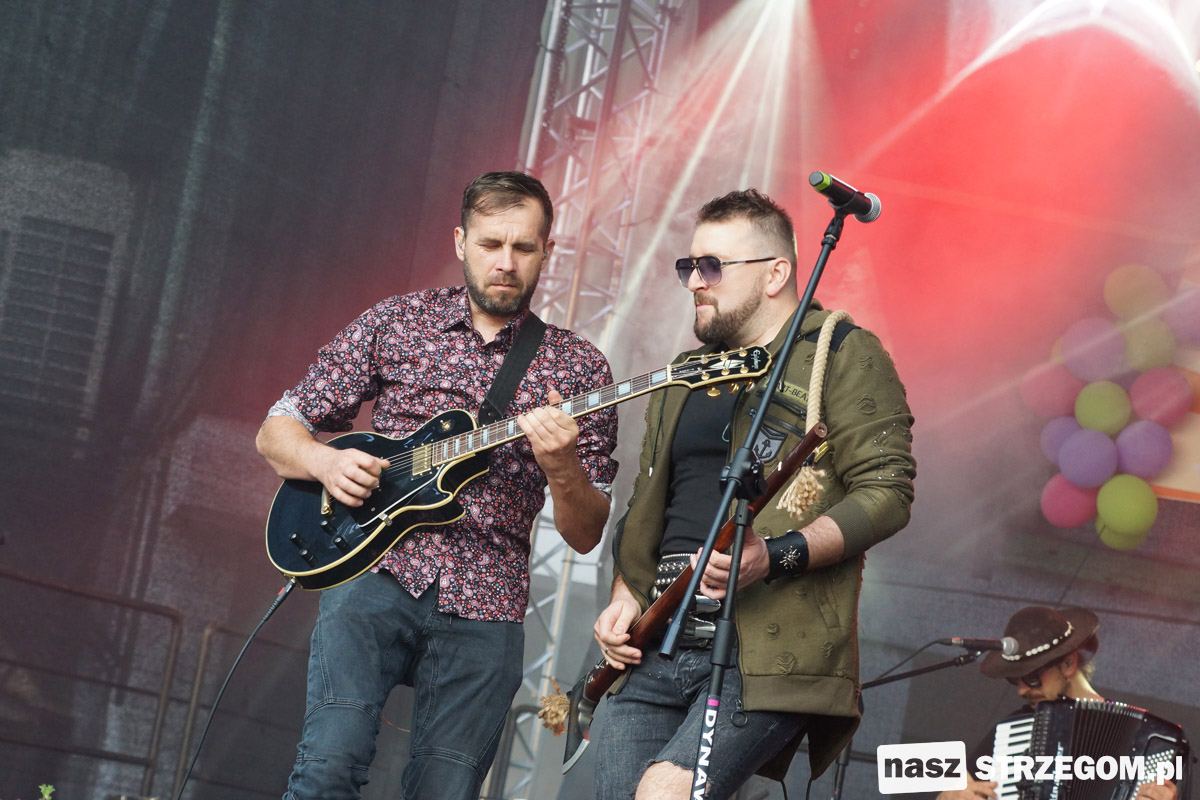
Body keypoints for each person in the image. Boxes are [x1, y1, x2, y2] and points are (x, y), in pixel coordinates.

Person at [256, 170, 619, 800]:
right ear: (460, 242)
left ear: (547, 251)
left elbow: (586, 534)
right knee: (327, 770)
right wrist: (323, 463)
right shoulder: (398, 321)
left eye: (523, 247)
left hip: (489, 604)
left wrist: (562, 466)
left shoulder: (579, 368)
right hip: (373, 572)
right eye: (490, 244)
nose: (505, 262)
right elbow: (276, 431)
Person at [591, 188, 917, 799]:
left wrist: (774, 555)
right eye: (689, 266)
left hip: (763, 652)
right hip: (657, 643)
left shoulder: (841, 352)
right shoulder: (685, 373)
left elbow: (888, 491)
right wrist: (624, 598)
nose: (695, 281)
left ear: (775, 275)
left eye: (712, 266)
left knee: (662, 793)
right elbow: (650, 507)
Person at [938, 606, 1183, 800]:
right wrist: (948, 796)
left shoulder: (1145, 739)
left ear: (1068, 664)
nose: (1022, 689)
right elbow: (959, 787)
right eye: (1014, 680)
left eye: (1032, 678)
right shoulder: (1010, 732)